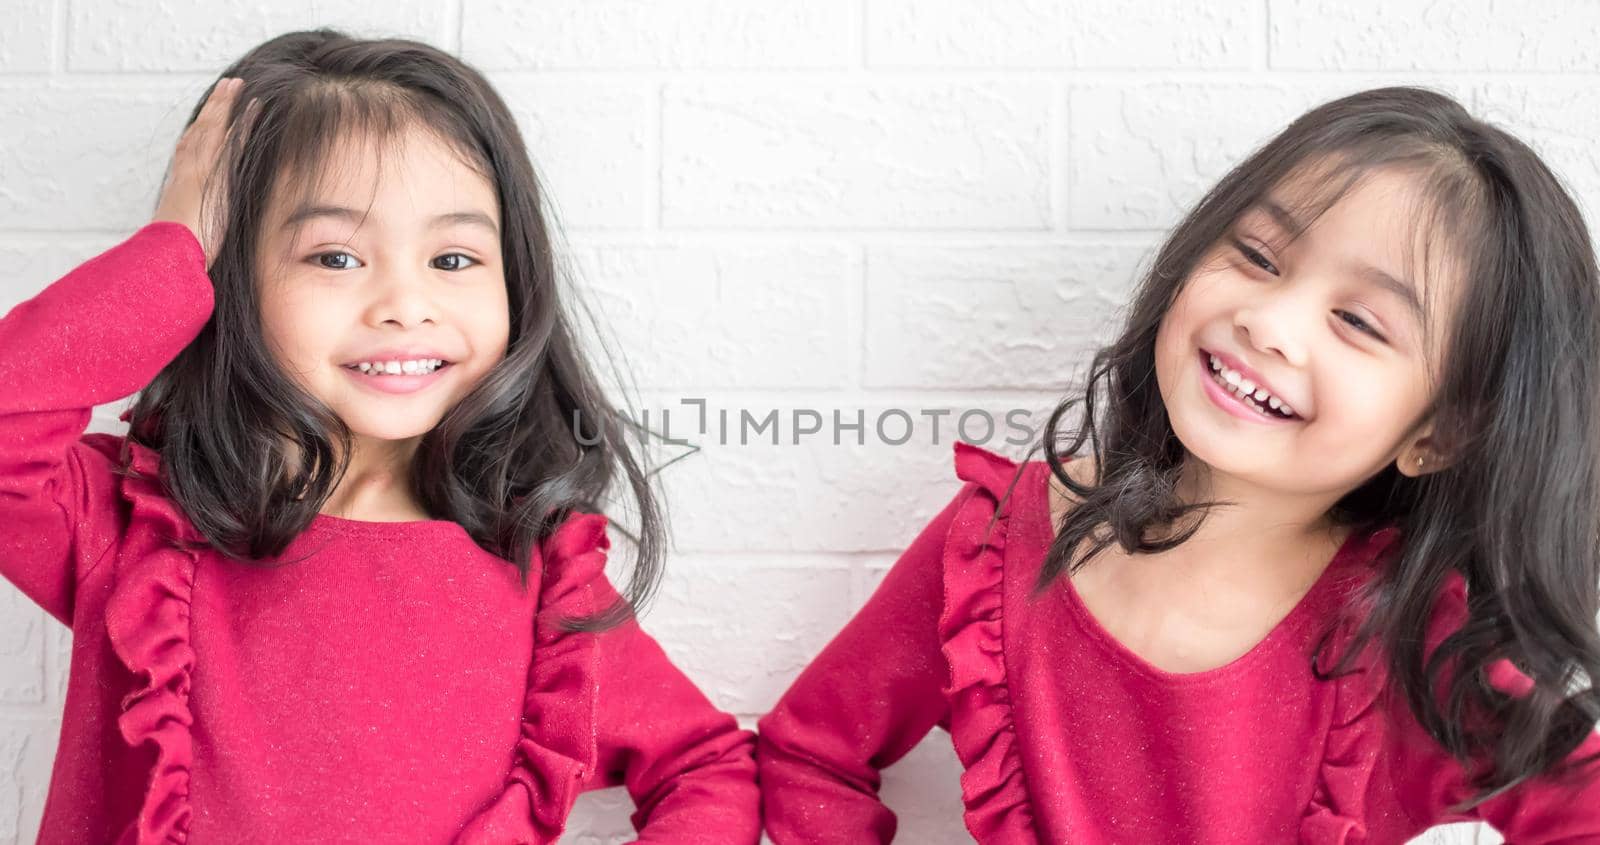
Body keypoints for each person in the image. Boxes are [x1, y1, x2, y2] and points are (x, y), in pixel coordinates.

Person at [757, 86, 1600, 843]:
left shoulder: (1422, 647)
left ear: (1441, 434)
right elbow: (811, 751)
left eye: (1359, 322)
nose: (1269, 323)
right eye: (1260, 258)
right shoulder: (994, 545)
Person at [0, 29, 757, 844]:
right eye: (335, 256)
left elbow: (706, 768)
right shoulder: (135, 531)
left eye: (455, 259)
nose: (405, 302)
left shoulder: (541, 582)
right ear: (231, 274)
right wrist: (173, 251)